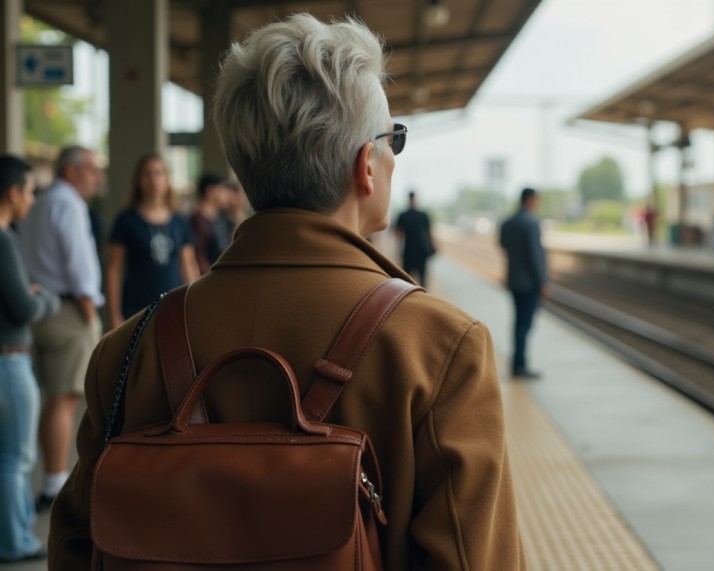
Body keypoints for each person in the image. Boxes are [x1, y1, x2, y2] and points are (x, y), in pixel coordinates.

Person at [49, 15, 524, 570]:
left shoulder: (125, 352)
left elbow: (74, 550)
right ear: (365, 165)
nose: (394, 154)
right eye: (393, 138)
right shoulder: (442, 349)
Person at [18, 145, 104, 511]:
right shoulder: (67, 203)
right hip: (68, 308)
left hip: (42, 307)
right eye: (91, 169)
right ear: (71, 170)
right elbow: (78, 258)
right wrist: (88, 304)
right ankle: (54, 483)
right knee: (65, 398)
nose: (96, 176)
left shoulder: (41, 202)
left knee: (54, 397)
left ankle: (50, 478)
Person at [0, 155, 59, 563]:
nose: (33, 199)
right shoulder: (4, 240)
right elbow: (23, 306)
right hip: (9, 360)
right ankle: (16, 541)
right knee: (14, 459)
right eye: (31, 190)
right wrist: (46, 298)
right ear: (13, 193)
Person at [105, 152, 199, 329]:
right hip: (135, 309)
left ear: (167, 179)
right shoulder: (126, 220)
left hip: (173, 308)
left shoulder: (179, 221)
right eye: (147, 173)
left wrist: (194, 306)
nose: (153, 179)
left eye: (159, 173)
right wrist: (114, 315)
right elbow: (114, 270)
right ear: (138, 180)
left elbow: (189, 267)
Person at [499, 187, 548, 380]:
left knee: (518, 323)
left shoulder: (509, 223)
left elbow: (503, 245)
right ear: (531, 199)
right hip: (529, 284)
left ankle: (517, 364)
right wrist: (542, 281)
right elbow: (535, 256)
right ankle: (520, 366)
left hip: (514, 280)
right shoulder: (531, 223)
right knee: (524, 326)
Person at [188, 171, 233, 274]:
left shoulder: (220, 219)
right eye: (222, 189)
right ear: (210, 191)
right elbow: (198, 258)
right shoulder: (198, 222)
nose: (227, 194)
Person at [393, 190, 435, 286]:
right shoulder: (423, 215)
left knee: (407, 282)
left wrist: (397, 253)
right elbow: (429, 233)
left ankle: (410, 300)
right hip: (421, 252)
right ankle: (424, 299)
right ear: (416, 199)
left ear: (408, 199)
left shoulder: (403, 216)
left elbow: (398, 236)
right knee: (423, 281)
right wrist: (433, 245)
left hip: (408, 252)